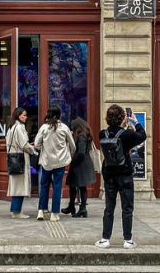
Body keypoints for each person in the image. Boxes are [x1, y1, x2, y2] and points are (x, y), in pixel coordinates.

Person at [95, 105, 146, 249]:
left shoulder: (102, 134)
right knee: (127, 208)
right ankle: (128, 240)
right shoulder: (127, 134)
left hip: (109, 174)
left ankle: (105, 239)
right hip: (125, 175)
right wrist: (135, 122)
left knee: (109, 208)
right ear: (123, 117)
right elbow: (142, 136)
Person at [34, 105, 75, 222]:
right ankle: (54, 213)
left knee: (44, 185)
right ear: (59, 115)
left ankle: (41, 210)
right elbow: (73, 145)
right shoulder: (64, 128)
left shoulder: (44, 128)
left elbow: (37, 144)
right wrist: (68, 152)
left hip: (46, 161)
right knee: (57, 186)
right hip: (60, 161)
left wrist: (44, 149)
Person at [61, 117, 95, 218]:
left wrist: (73, 162)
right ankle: (76, 207)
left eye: (72, 127)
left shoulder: (81, 136)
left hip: (80, 164)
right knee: (79, 186)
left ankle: (80, 208)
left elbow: (80, 152)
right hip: (85, 163)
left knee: (76, 185)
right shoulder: (87, 133)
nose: (72, 129)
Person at [6, 107, 36, 218]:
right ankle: (16, 211)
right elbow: (23, 144)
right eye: (24, 115)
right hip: (21, 159)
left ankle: (15, 210)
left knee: (16, 185)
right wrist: (32, 149)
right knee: (20, 186)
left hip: (14, 159)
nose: (26, 117)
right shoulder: (19, 128)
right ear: (19, 116)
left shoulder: (11, 128)